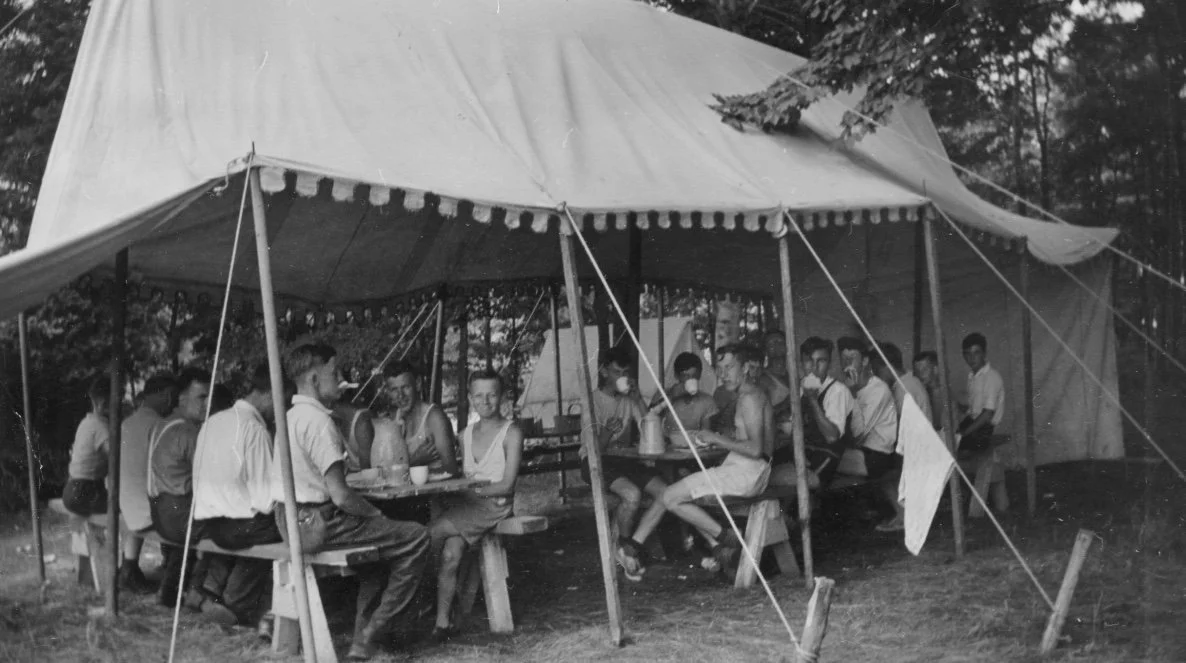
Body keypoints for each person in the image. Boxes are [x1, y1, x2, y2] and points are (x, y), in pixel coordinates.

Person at [274, 344, 429, 661]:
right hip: (318, 524)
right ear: (315, 379)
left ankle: (364, 639)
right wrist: (375, 513)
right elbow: (342, 495)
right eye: (334, 373)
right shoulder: (318, 422)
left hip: (289, 522)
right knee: (416, 537)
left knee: (378, 552)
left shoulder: (288, 416)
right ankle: (375, 632)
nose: (340, 379)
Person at [618, 343, 772, 577]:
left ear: (746, 367)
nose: (723, 375)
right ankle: (720, 545)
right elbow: (749, 440)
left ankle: (726, 540)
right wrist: (720, 438)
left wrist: (715, 438)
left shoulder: (749, 397)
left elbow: (755, 449)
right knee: (674, 492)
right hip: (744, 468)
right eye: (719, 369)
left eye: (729, 367)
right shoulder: (748, 394)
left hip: (748, 472)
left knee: (670, 496)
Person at [428, 369, 523, 642]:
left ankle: (422, 599)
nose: (485, 401)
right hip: (468, 507)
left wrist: (473, 489)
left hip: (494, 507)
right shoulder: (465, 435)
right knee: (450, 553)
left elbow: (507, 485)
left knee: (429, 535)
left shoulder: (511, 432)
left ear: (502, 396)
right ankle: (442, 622)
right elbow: (457, 474)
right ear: (470, 398)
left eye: (492, 394)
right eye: (479, 396)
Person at [192, 366, 285, 627]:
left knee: (251, 521)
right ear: (269, 395)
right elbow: (266, 499)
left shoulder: (214, 421)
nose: (279, 412)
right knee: (284, 527)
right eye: (281, 402)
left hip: (210, 523)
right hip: (237, 528)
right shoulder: (254, 428)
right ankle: (236, 606)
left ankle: (208, 590)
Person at [147, 367, 230, 620]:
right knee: (235, 528)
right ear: (181, 398)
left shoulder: (163, 424)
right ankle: (205, 592)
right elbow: (215, 479)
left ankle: (175, 592)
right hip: (178, 514)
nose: (208, 403)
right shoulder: (189, 433)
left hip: (159, 512)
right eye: (201, 397)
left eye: (209, 397)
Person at [582, 346, 665, 581]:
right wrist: (607, 432)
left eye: (626, 372)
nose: (623, 378)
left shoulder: (629, 399)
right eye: (617, 372)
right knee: (632, 495)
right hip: (595, 461)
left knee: (667, 492)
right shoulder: (592, 401)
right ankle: (625, 550)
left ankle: (630, 544)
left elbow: (648, 427)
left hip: (625, 459)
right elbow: (594, 449)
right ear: (603, 372)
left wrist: (638, 399)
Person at [769, 337, 854, 489]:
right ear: (802, 363)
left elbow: (832, 436)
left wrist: (813, 401)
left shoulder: (838, 391)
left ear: (829, 364)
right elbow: (784, 415)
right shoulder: (801, 387)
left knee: (771, 478)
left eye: (821, 361)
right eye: (809, 360)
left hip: (824, 458)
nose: (814, 367)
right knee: (762, 468)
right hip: (801, 454)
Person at [118, 373, 176, 593]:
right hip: (147, 512)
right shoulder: (160, 425)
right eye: (172, 396)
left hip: (127, 504)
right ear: (164, 395)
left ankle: (129, 567)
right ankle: (178, 577)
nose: (173, 402)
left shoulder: (126, 423)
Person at [869, 342, 929, 532]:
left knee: (882, 473)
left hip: (917, 450)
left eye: (877, 371)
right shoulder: (909, 380)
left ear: (886, 367)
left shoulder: (903, 388)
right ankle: (903, 514)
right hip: (919, 444)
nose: (877, 376)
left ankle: (905, 517)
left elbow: (901, 427)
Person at [835, 337, 899, 482]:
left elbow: (858, 437)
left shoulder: (878, 390)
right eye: (843, 359)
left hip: (878, 456)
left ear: (864, 361)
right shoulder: (844, 385)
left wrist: (851, 394)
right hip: (860, 452)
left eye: (851, 359)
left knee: (828, 461)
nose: (846, 364)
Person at [62, 377, 111, 517]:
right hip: (85, 492)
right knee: (126, 504)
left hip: (71, 490)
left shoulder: (86, 422)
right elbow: (116, 461)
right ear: (104, 403)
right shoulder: (101, 427)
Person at [648, 351, 718, 437]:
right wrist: (671, 396)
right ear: (676, 376)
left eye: (694, 375)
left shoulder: (707, 401)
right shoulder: (663, 394)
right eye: (686, 376)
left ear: (699, 375)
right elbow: (649, 417)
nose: (691, 379)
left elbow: (707, 434)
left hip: (696, 447)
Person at [958, 333, 1005, 454]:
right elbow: (975, 409)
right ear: (963, 356)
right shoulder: (972, 376)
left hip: (986, 427)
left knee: (957, 444)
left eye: (976, 353)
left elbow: (987, 414)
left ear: (984, 353)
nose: (971, 358)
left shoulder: (991, 377)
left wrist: (963, 433)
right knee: (947, 439)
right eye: (967, 354)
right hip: (974, 421)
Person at [334, 391, 375, 473]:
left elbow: (367, 470)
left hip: (366, 478)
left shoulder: (362, 423)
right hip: (354, 477)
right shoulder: (336, 420)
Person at [911, 351, 942, 430]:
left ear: (936, 370)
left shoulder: (937, 393)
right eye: (917, 371)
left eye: (924, 370)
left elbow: (936, 425)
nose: (921, 375)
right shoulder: (928, 390)